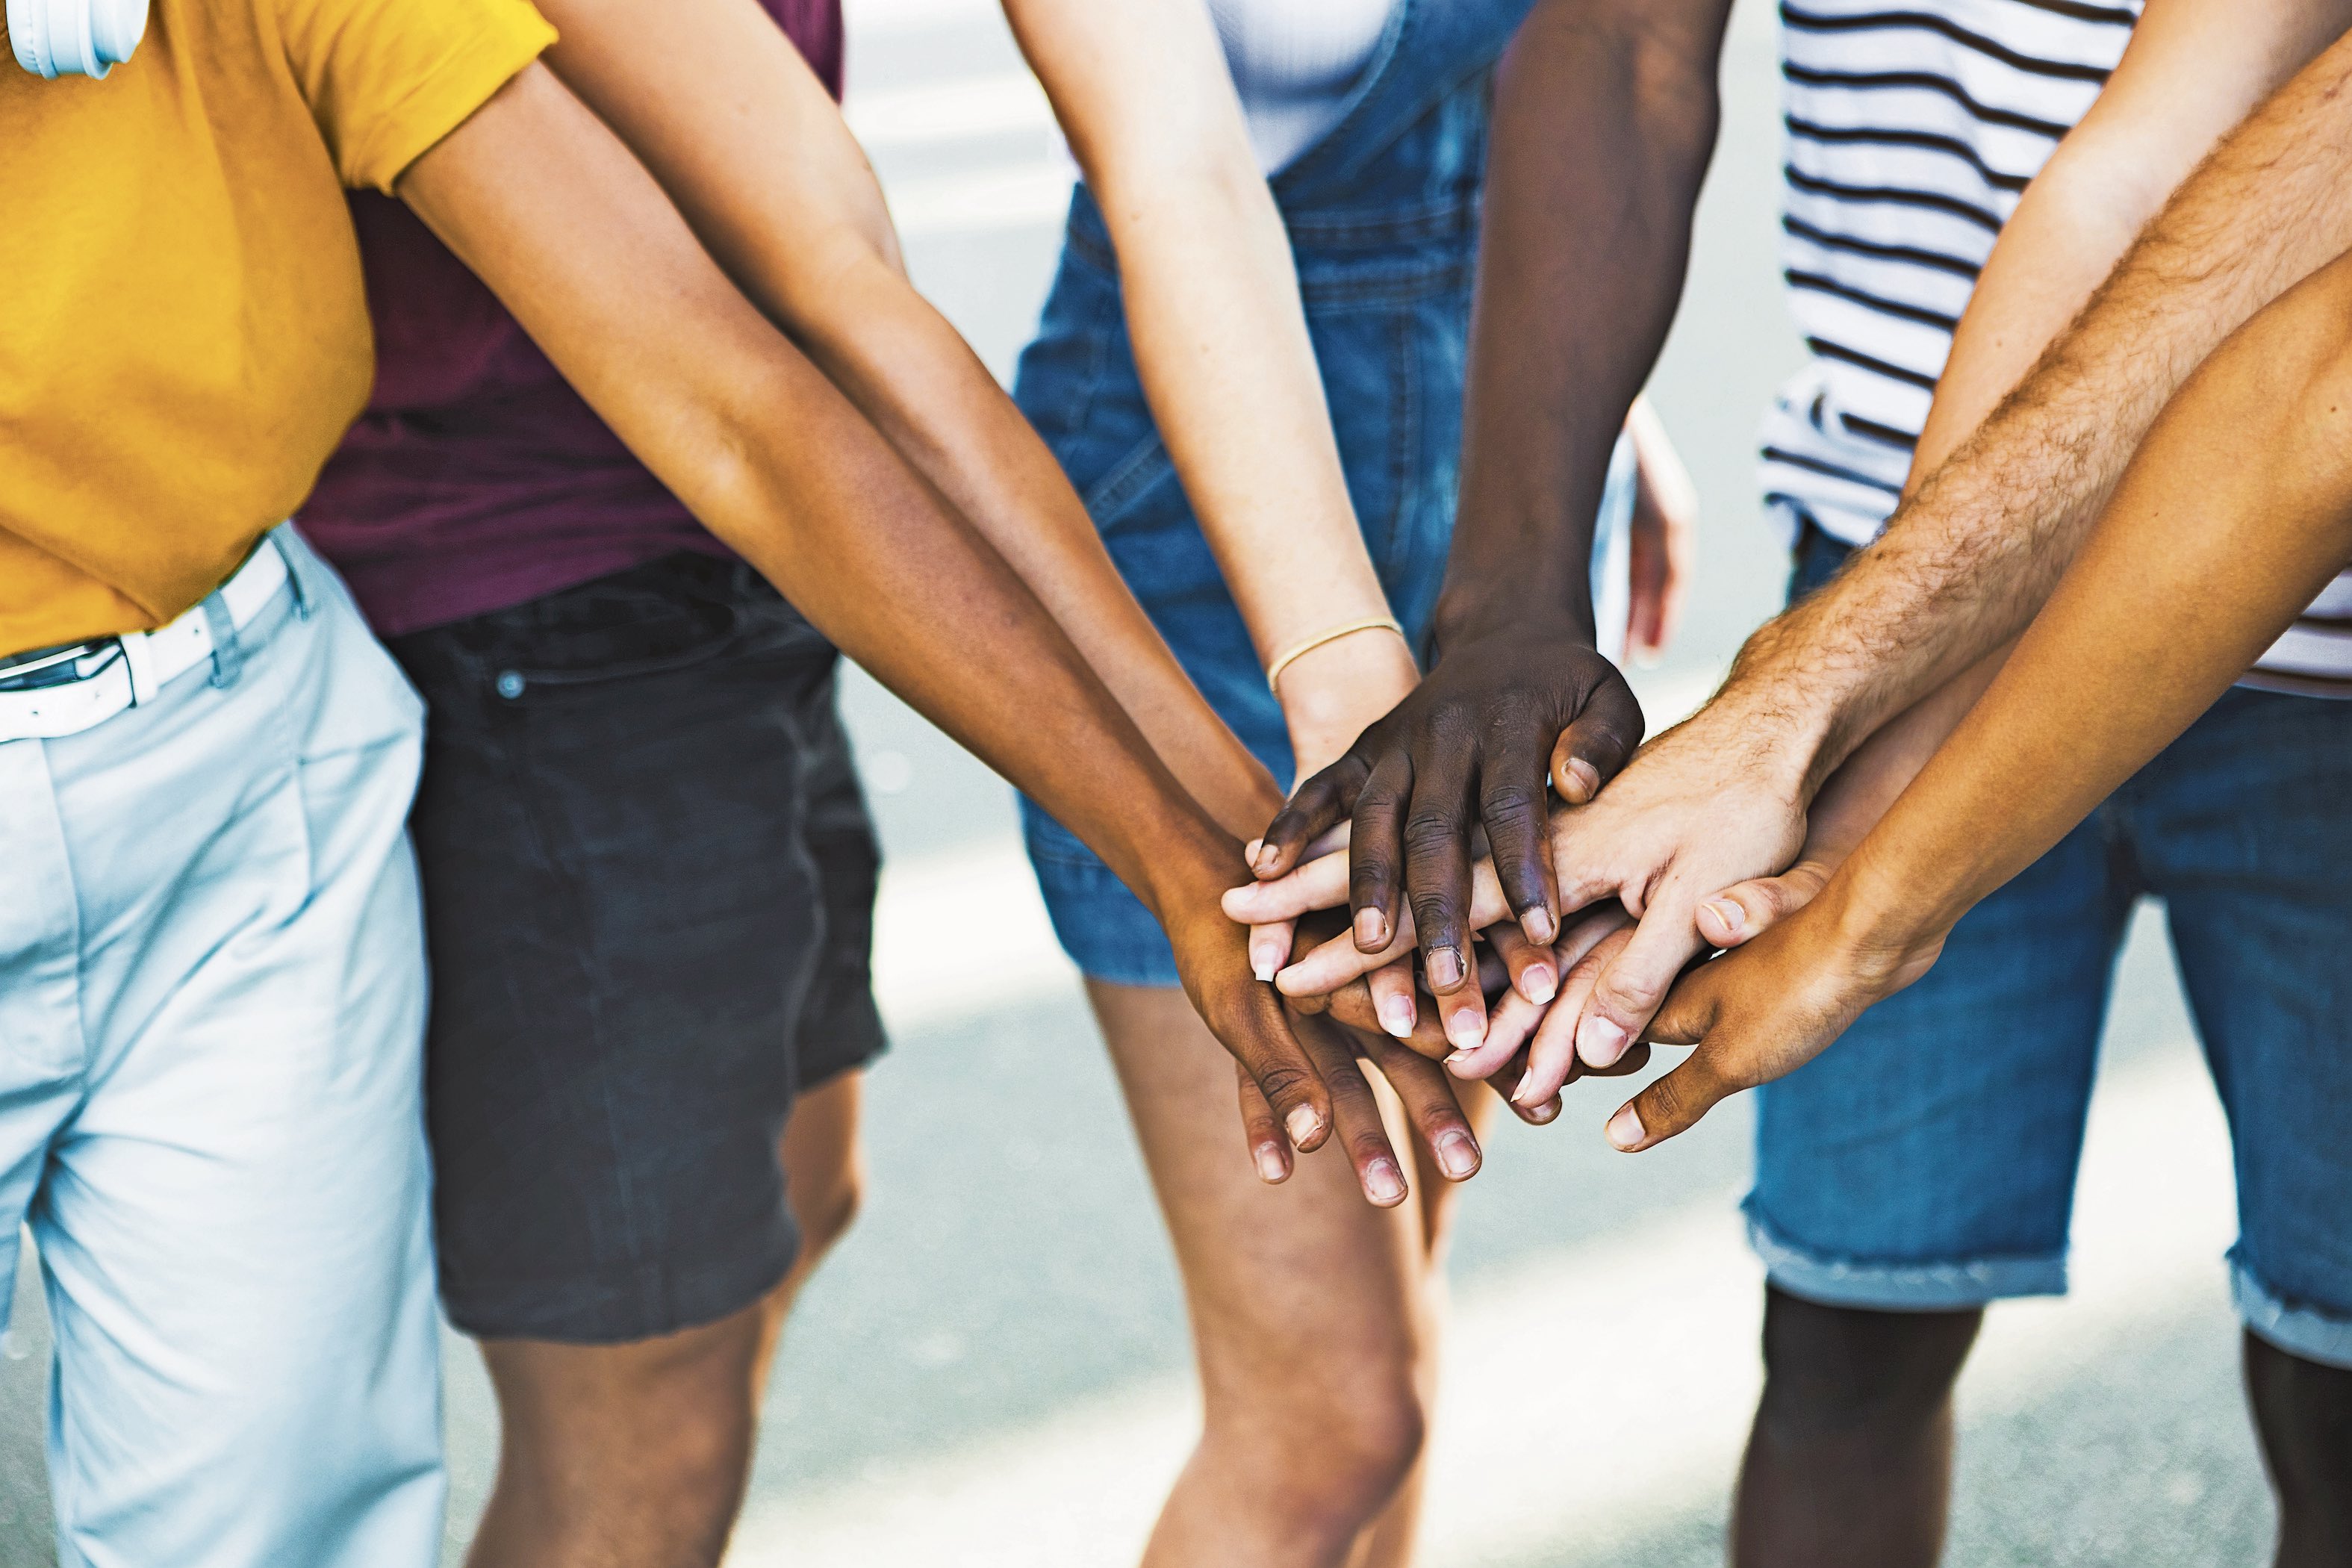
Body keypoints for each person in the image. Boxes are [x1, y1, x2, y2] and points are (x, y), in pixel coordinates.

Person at [0, 0, 1463, 1553]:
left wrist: (1233, 827)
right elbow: (809, 342)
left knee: (789, 1202)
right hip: (537, 611)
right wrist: (1212, 842)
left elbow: (832, 323)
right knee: (650, 1433)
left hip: (720, 580)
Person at [1230, 0, 2352, 1562]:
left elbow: (2314, 401)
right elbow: (2152, 172)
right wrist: (1806, 713)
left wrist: (1866, 869)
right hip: (1929, 526)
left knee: (2338, 1379)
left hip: (2315, 657)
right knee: (1851, 1328)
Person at [998, 0, 1691, 1559]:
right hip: (1211, 519)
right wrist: (1346, 686)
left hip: (1494, 511)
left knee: (1408, 1284)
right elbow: (1174, 163)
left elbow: (1598, 61)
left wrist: (1581, 417)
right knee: (1332, 1417)